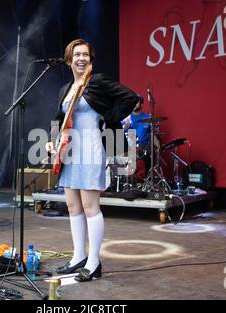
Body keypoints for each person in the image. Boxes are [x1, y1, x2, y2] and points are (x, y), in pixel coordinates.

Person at [46, 39, 138, 282]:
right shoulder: (65, 89)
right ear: (68, 60)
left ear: (91, 59)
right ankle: (78, 257)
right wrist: (52, 141)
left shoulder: (97, 81)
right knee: (73, 207)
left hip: (92, 149)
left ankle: (94, 262)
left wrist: (109, 117)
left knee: (90, 207)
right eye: (76, 54)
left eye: (85, 54)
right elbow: (58, 119)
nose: (81, 58)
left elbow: (130, 97)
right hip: (70, 153)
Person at [122, 96, 151, 181]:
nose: (134, 104)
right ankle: (126, 181)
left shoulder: (148, 117)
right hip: (129, 147)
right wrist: (125, 126)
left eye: (136, 102)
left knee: (150, 153)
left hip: (144, 146)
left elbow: (154, 134)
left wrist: (158, 145)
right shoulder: (127, 118)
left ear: (141, 103)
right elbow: (120, 132)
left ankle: (145, 181)